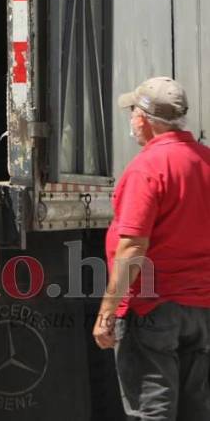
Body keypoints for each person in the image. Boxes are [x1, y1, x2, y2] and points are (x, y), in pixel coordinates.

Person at [93, 77, 210, 420]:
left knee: (153, 409)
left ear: (143, 118)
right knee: (197, 410)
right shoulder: (205, 161)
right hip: (202, 310)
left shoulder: (147, 168)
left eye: (132, 112)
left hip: (153, 308)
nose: (131, 120)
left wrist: (108, 312)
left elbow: (132, 247)